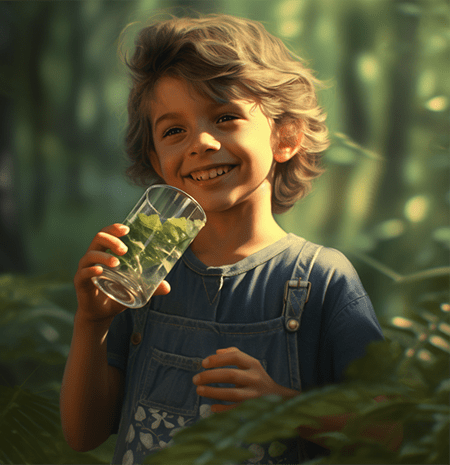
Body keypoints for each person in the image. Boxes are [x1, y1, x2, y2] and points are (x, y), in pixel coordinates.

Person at [60, 14, 391, 465]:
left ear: (286, 136)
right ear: (157, 161)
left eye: (225, 117)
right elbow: (83, 434)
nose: (200, 142)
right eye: (174, 131)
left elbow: (391, 432)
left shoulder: (322, 279)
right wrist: (91, 322)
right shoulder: (140, 276)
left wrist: (282, 406)